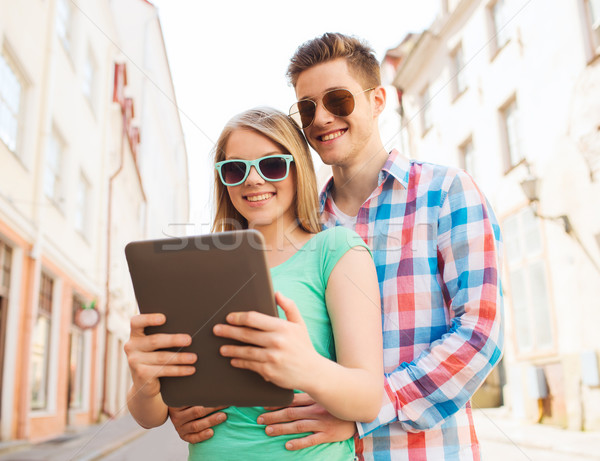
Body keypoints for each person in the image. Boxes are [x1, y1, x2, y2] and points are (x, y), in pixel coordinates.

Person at [169, 33, 504, 461]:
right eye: (307, 108)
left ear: (378, 100)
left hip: (424, 451)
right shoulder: (302, 227)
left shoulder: (445, 192)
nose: (322, 118)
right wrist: (190, 407)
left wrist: (367, 410)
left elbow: (479, 334)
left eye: (338, 101)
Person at [124, 107, 383, 460]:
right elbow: (150, 417)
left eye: (271, 165)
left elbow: (369, 399)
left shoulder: (337, 251)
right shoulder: (197, 265)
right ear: (223, 179)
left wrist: (307, 366)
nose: (253, 180)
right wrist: (145, 379)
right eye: (235, 169)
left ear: (298, 169)